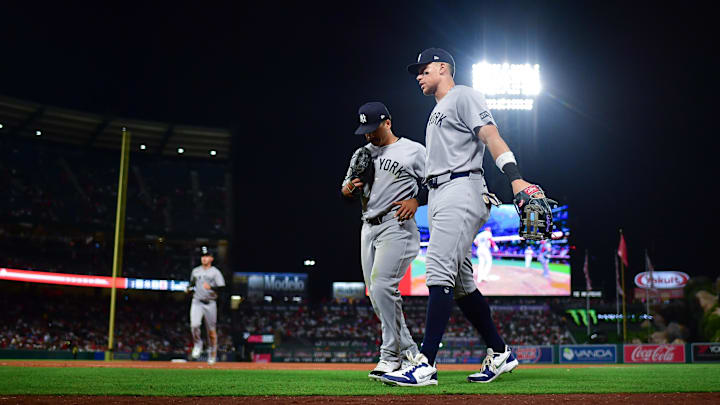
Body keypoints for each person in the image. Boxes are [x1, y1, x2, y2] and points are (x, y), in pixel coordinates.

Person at [383, 48, 548, 386]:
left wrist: (515, 177)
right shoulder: (437, 112)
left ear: (443, 68)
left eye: (424, 69)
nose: (418, 75)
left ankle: (425, 363)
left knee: (437, 270)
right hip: (440, 192)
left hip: (462, 187)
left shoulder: (463, 95)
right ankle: (500, 352)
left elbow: (490, 135)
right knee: (461, 284)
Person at [341, 101, 427, 380]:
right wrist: (350, 189)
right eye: (364, 130)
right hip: (368, 227)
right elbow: (345, 191)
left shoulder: (414, 151)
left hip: (397, 225)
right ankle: (411, 353)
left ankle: (390, 356)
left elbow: (437, 183)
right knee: (377, 296)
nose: (368, 135)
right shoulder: (362, 153)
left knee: (381, 286)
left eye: (373, 128)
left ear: (388, 122)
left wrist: (417, 199)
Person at [187, 246, 226, 365]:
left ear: (211, 258)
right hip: (197, 301)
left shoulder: (215, 272)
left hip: (210, 303)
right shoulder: (196, 271)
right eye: (203, 256)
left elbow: (223, 288)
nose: (204, 258)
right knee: (194, 325)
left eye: (207, 256)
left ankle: (212, 354)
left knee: (211, 331)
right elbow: (192, 283)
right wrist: (189, 288)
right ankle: (198, 344)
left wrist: (212, 287)